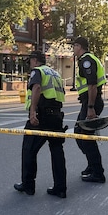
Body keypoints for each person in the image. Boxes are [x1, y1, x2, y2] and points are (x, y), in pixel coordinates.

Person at [14, 51, 68, 198]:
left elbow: (36, 88)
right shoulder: (55, 73)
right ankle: (60, 188)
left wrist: (32, 112)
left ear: (35, 60)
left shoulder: (37, 71)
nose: (29, 64)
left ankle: (28, 185)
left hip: (41, 116)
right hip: (56, 115)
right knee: (57, 151)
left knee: (29, 149)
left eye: (30, 61)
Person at [72, 37, 107, 183]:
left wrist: (91, 108)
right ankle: (92, 166)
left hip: (91, 102)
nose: (72, 49)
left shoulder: (86, 60)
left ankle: (98, 172)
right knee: (80, 135)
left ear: (79, 46)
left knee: (86, 138)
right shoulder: (89, 58)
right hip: (88, 102)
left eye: (73, 46)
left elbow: (92, 85)